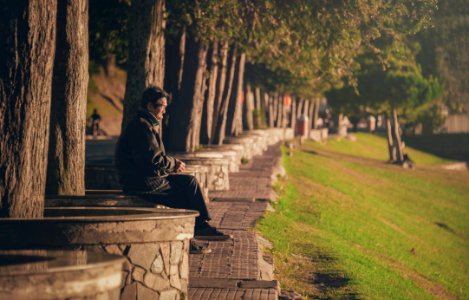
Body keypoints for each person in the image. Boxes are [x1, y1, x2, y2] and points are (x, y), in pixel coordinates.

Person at [115, 86, 230, 242]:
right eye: (161, 106)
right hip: (144, 184)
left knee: (190, 182)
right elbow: (153, 160)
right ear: (150, 106)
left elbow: (154, 158)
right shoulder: (142, 127)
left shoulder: (145, 124)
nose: (164, 111)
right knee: (185, 196)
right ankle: (192, 235)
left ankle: (201, 226)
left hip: (152, 179)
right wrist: (174, 163)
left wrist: (173, 164)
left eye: (165, 107)